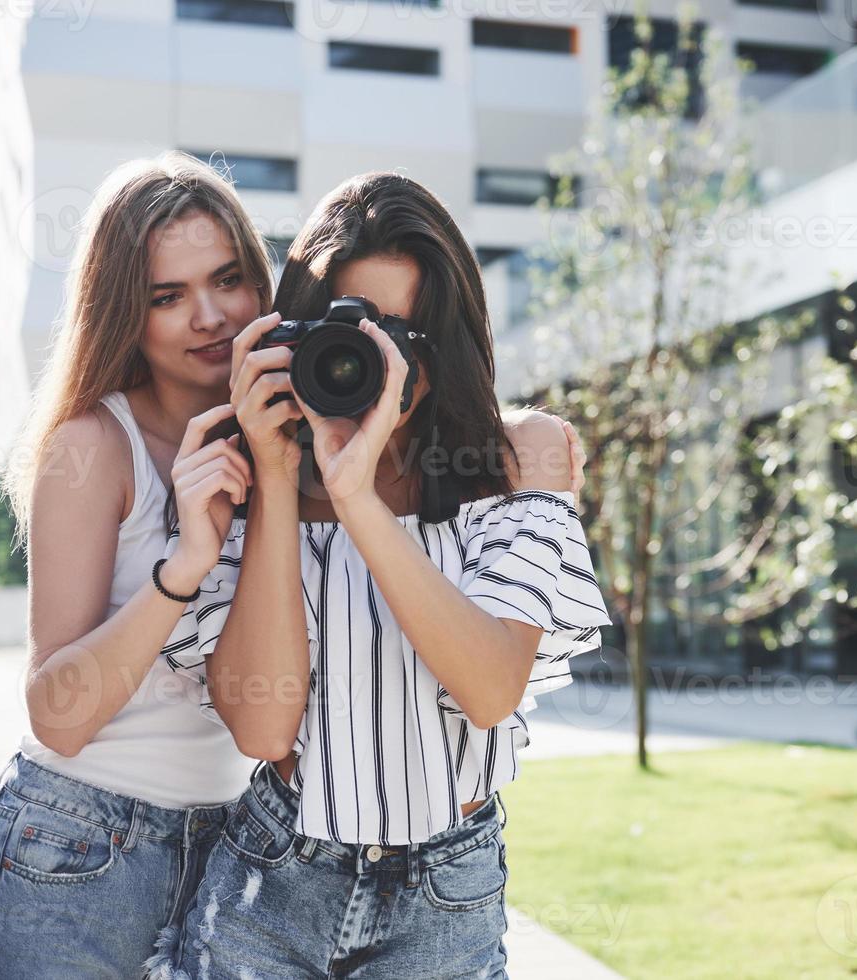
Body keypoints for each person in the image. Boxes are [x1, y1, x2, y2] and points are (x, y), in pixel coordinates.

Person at [0, 154, 588, 980]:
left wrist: (353, 481)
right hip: (100, 843)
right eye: (165, 296)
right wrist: (219, 533)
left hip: (252, 845)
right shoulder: (151, 455)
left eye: (227, 280)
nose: (208, 317)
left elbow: (487, 687)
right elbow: (116, 719)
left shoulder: (467, 455)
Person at [153, 172, 611, 978]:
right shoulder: (249, 472)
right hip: (272, 881)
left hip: (445, 895)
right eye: (354, 331)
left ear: (449, 342)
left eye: (404, 336)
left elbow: (489, 687)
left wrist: (357, 493)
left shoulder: (517, 456)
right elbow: (263, 730)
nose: (376, 360)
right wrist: (275, 473)